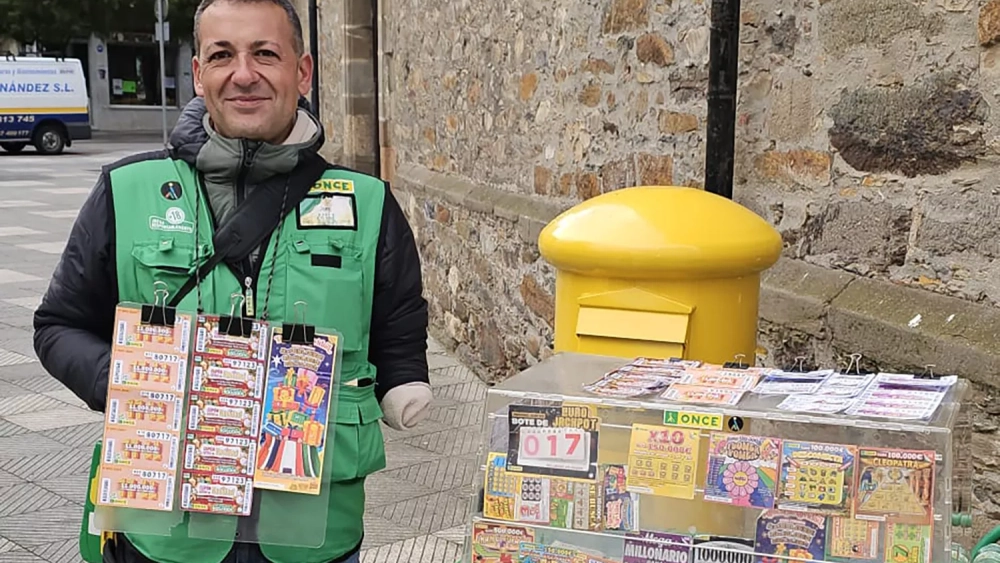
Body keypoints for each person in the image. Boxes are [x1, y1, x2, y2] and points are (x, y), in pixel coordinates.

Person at [32, 0, 433, 562]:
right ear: (199, 74)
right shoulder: (127, 191)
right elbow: (58, 324)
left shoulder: (367, 203)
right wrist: (126, 382)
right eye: (222, 55)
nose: (244, 74)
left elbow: (397, 322)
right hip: (164, 532)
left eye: (265, 53)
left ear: (302, 71)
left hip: (313, 531)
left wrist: (405, 378)